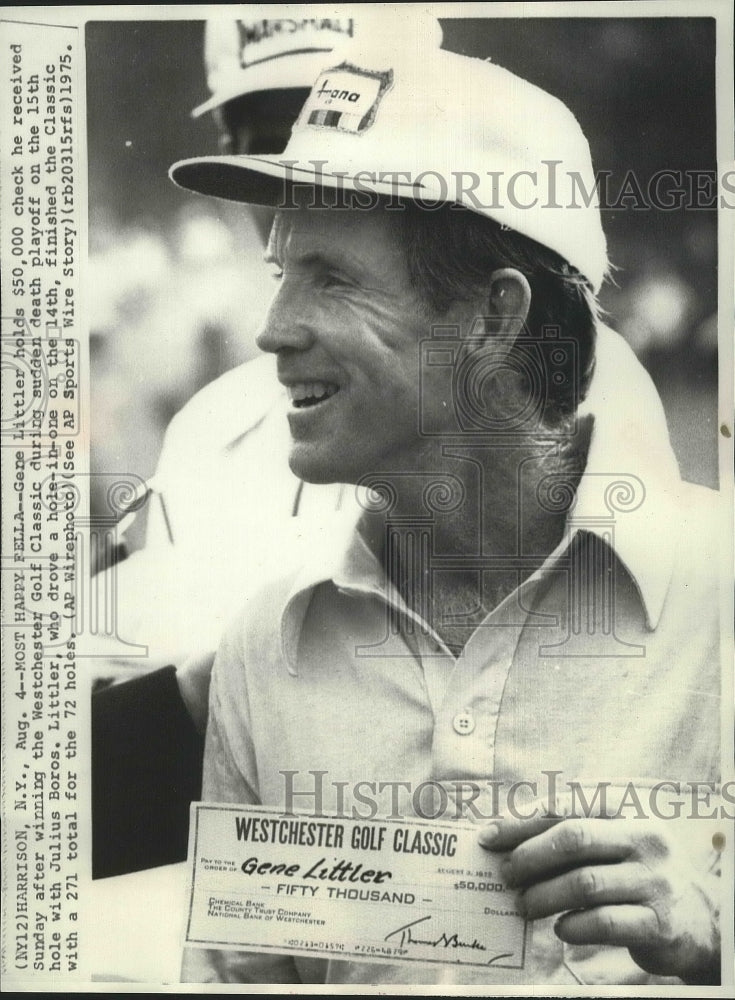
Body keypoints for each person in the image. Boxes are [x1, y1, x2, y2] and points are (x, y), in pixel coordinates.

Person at [171, 23, 723, 987]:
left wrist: (715, 934)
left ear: (492, 319)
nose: (270, 330)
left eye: (331, 279)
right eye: (279, 273)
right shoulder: (268, 647)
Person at [91, 16, 352, 878]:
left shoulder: (559, 391)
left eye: (326, 122)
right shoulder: (211, 425)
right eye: (251, 141)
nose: (279, 178)